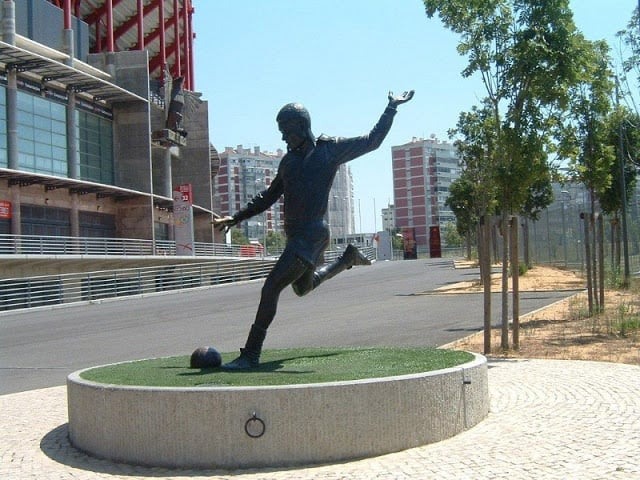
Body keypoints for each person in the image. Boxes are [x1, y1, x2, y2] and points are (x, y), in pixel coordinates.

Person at [213, 90, 414, 369]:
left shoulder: (328, 151)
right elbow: (267, 197)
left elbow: (372, 141)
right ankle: (347, 259)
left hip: (310, 236)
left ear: (301, 126)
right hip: (297, 238)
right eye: (280, 132)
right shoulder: (288, 162)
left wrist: (391, 108)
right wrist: (235, 218)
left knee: (270, 289)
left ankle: (251, 353)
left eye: (286, 131)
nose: (283, 137)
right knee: (302, 288)